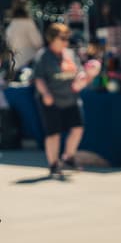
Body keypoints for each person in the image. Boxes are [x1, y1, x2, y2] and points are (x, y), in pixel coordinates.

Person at [32, 22, 100, 178]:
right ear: (52, 38)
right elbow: (39, 78)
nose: (65, 41)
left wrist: (88, 76)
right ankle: (53, 164)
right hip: (52, 100)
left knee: (77, 129)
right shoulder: (43, 56)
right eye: (62, 38)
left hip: (70, 98)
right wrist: (46, 94)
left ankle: (69, 156)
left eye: (66, 38)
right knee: (53, 134)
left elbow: (78, 76)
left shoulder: (69, 54)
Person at [4, 0, 43, 80]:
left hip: (14, 64)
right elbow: (38, 42)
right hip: (29, 63)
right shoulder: (28, 23)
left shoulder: (11, 24)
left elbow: (8, 44)